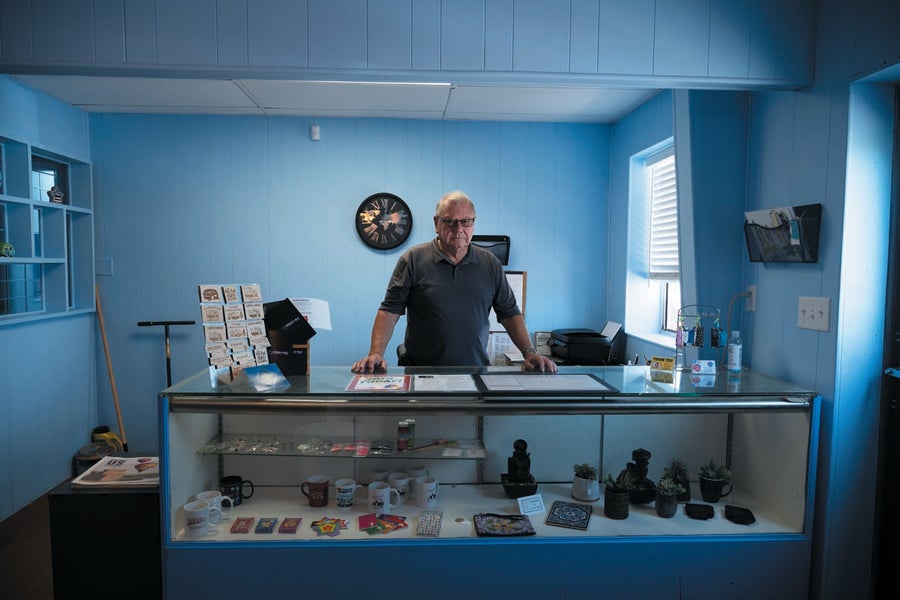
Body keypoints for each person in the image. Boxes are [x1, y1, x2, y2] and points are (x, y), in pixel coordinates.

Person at [352, 190, 557, 373]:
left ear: (473, 224)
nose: (458, 228)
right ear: (436, 223)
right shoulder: (413, 259)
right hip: (421, 373)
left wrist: (529, 353)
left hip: (475, 373)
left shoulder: (490, 263)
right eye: (450, 221)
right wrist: (376, 353)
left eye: (466, 221)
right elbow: (390, 310)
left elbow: (510, 313)